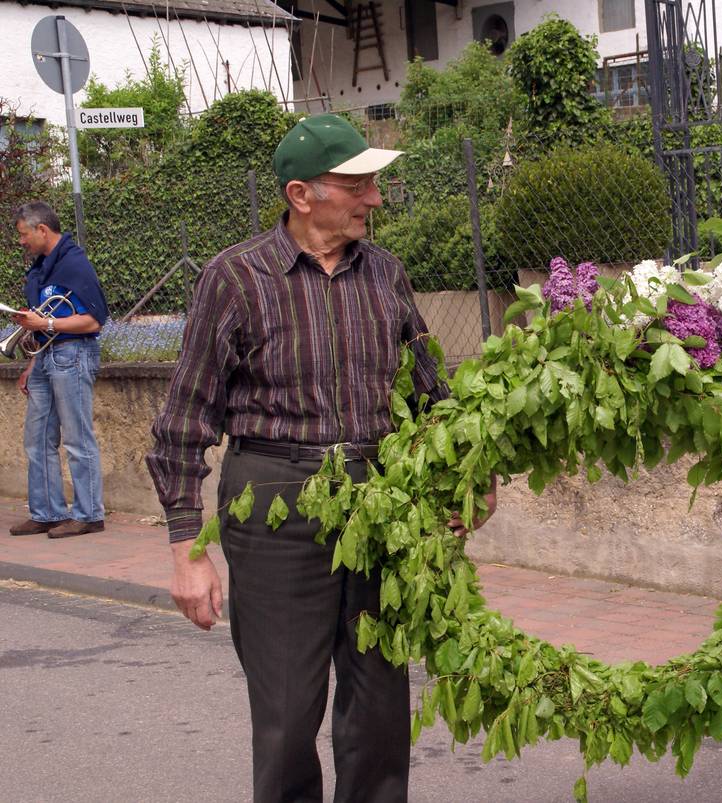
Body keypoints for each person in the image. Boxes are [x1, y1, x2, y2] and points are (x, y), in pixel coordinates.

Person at [146, 114, 496, 802]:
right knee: (285, 714)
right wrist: (185, 547)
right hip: (273, 499)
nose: (375, 197)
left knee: (379, 709)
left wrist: (466, 482)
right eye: (356, 183)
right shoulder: (236, 278)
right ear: (302, 195)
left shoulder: (386, 273)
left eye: (373, 182)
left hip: (376, 500)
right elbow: (184, 419)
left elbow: (432, 394)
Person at [9, 202, 109, 539]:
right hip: (48, 357)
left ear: (41, 230)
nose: (21, 241)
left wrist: (45, 322)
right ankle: (47, 512)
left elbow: (94, 320)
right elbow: (42, 326)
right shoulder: (42, 268)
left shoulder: (73, 264)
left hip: (73, 354)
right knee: (37, 439)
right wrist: (31, 362)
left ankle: (89, 514)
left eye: (24, 234)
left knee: (78, 438)